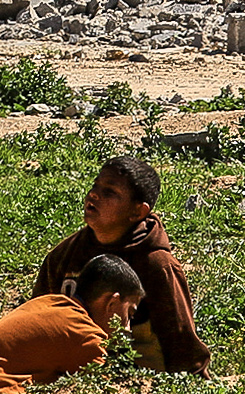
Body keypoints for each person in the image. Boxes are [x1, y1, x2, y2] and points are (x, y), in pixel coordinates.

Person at [32, 156, 209, 374]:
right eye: (95, 186)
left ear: (138, 212)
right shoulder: (64, 255)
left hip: (136, 381)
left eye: (110, 192)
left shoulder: (156, 265)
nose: (93, 195)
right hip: (70, 375)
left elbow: (182, 347)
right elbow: (36, 318)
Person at [0, 254, 144, 394]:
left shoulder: (50, 303)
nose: (127, 327)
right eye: (130, 313)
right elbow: (104, 391)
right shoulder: (84, 332)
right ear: (112, 303)